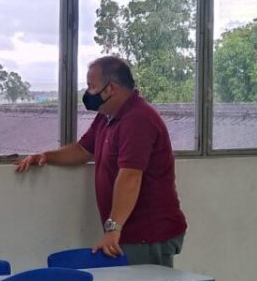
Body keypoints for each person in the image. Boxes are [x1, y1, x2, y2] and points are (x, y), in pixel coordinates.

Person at [14, 55, 186, 266]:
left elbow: (131, 176)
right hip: (128, 232)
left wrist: (113, 229)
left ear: (110, 88)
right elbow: (82, 150)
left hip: (147, 234)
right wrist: (46, 156)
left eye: (91, 86)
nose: (88, 93)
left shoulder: (138, 119)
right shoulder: (108, 116)